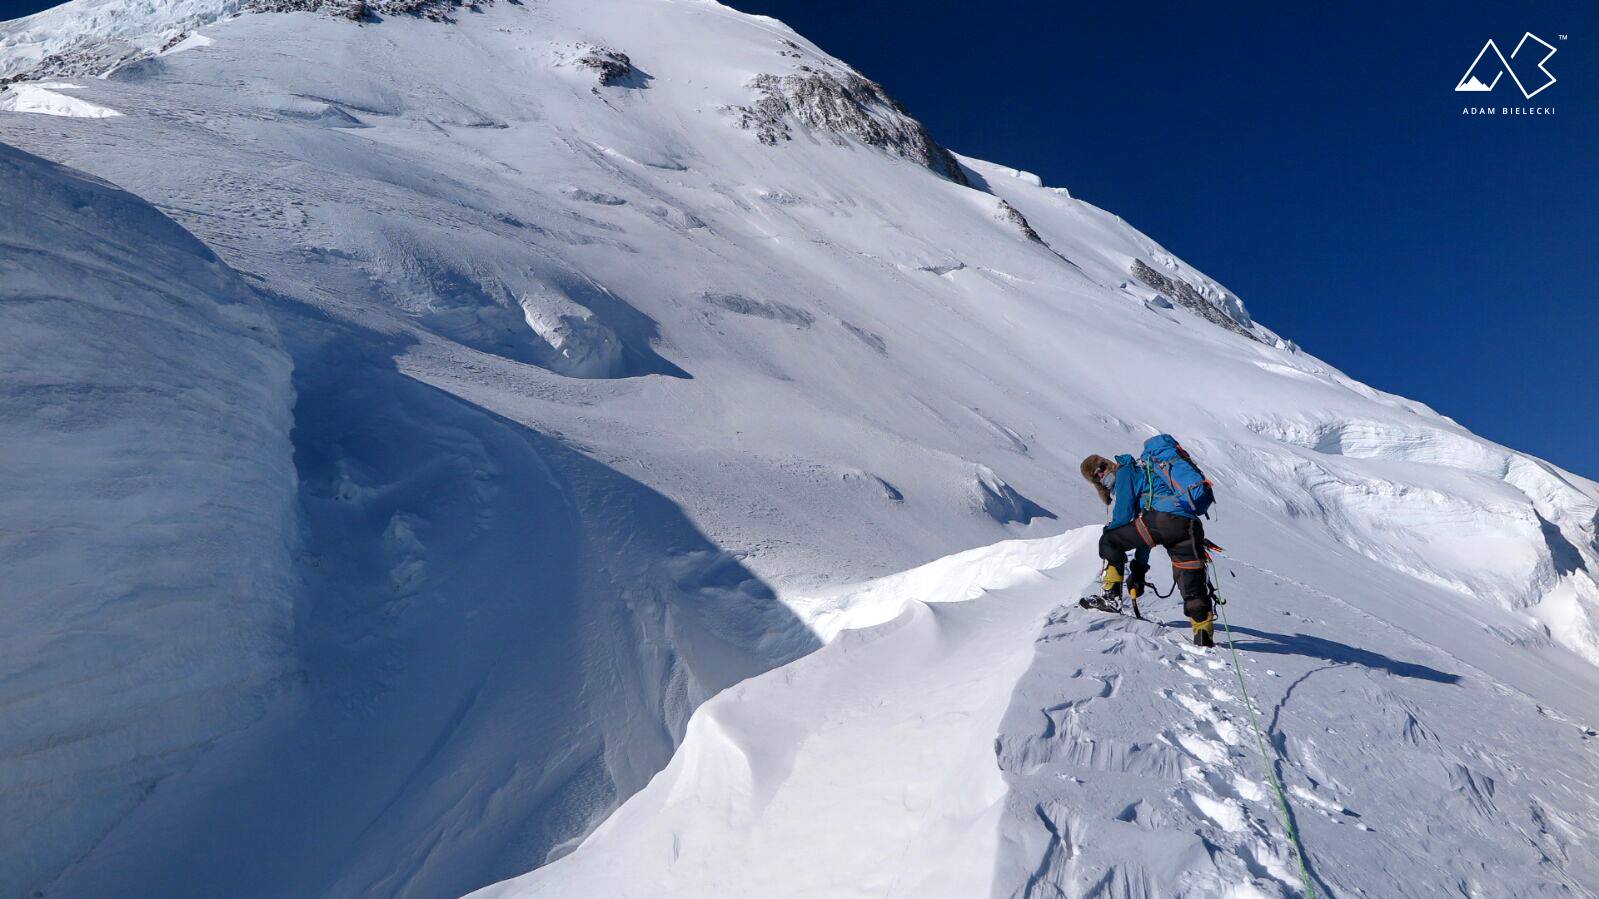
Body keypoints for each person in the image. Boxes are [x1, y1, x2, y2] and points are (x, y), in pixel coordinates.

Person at [1079, 448, 1217, 647]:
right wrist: (1139, 570)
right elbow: (1144, 531)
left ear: (1107, 464)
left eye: (1101, 468)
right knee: (1190, 576)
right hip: (1188, 526)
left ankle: (1111, 597)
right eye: (1096, 475)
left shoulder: (1125, 472)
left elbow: (1124, 516)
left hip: (1163, 521)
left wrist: (1111, 533)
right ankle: (1203, 632)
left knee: (1110, 540)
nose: (1101, 473)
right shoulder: (1141, 473)